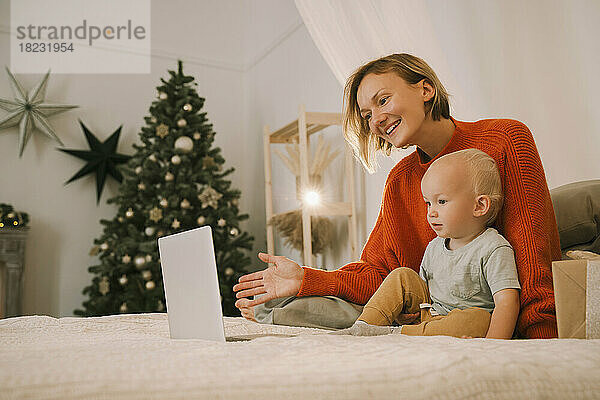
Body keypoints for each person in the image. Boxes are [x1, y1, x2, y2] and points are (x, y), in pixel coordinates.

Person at [233, 53, 561, 339]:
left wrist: (542, 345)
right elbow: (379, 273)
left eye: (383, 100)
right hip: (425, 310)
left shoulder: (505, 139)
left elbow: (533, 256)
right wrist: (307, 277)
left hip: (484, 314)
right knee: (297, 306)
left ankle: (396, 335)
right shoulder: (400, 180)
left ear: (425, 90)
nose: (375, 120)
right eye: (366, 115)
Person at [337, 148, 520, 339]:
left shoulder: (493, 247)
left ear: (479, 206)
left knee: (480, 318)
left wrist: (493, 344)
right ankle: (364, 326)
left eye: (441, 201)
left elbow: (507, 302)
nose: (431, 212)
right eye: (428, 203)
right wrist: (404, 311)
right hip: (429, 315)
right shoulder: (434, 247)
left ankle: (397, 333)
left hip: (462, 323)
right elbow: (422, 292)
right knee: (402, 275)